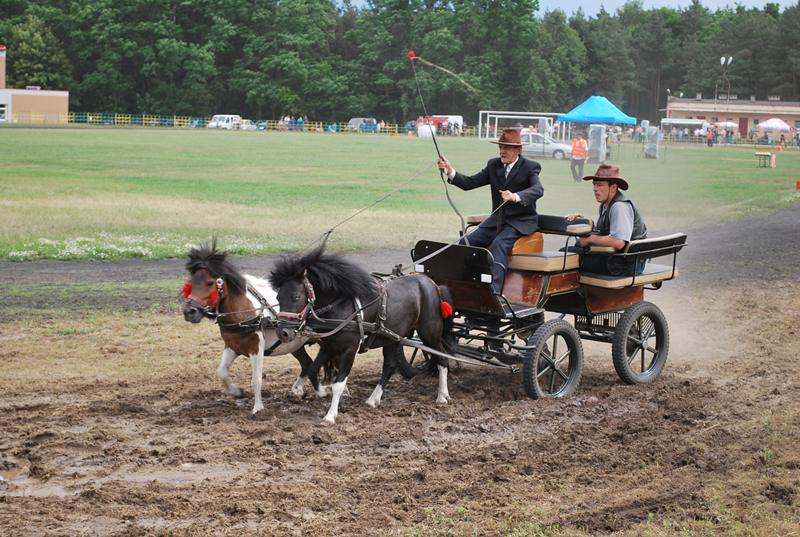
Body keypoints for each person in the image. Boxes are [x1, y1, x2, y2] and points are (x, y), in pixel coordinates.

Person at [437, 128, 544, 294]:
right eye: (500, 147)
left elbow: (538, 190)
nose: (502, 151)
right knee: (467, 242)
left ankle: (494, 293)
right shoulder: (493, 165)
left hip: (520, 223)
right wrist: (450, 171)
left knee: (499, 244)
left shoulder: (530, 167)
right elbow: (469, 183)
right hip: (497, 221)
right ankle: (462, 286)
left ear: (519, 150)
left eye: (506, 147)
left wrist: (515, 196)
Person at [566, 164, 648, 276]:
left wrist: (590, 239)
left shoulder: (619, 206)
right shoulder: (606, 204)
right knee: (573, 249)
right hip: (618, 260)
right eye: (594, 184)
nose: (595, 189)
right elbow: (604, 232)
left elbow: (618, 242)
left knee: (567, 255)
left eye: (599, 185)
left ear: (613, 187)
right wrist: (582, 221)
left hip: (626, 265)